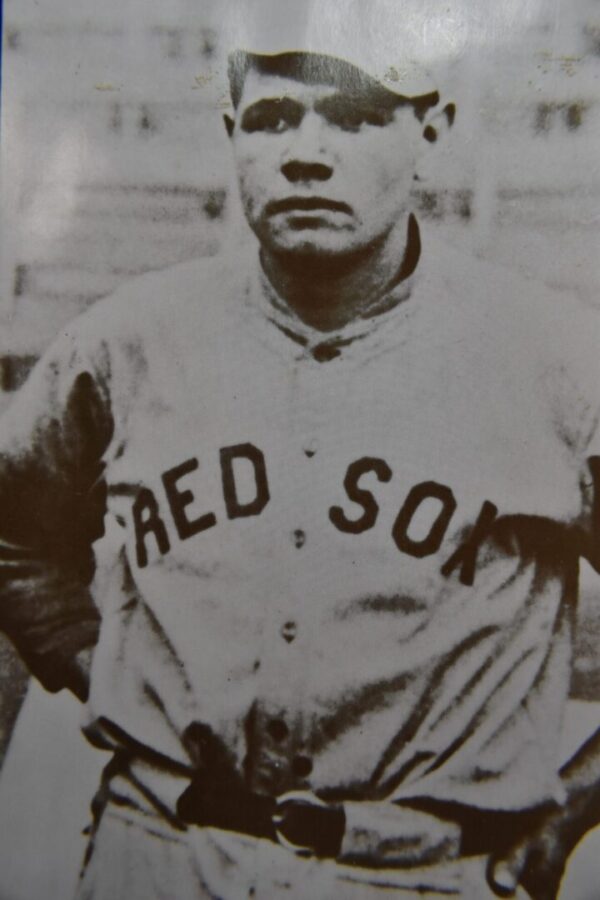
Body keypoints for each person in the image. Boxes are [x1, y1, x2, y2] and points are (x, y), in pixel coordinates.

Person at [1, 28, 600, 900]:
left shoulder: (555, 356)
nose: (306, 156)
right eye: (274, 119)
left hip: (424, 866)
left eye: (354, 118)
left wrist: (571, 807)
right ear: (231, 133)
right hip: (162, 849)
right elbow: (15, 532)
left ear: (431, 133)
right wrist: (97, 663)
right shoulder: (129, 336)